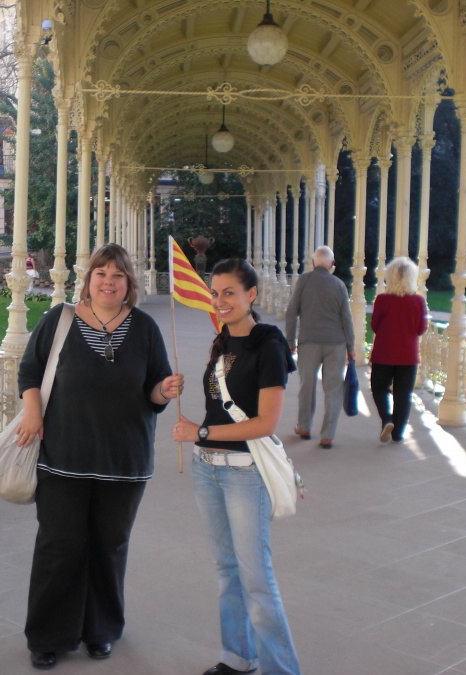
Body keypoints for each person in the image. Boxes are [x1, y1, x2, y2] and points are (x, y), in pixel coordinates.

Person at [16, 243, 183, 670]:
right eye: (101, 273)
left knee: (109, 548)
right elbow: (30, 370)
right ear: (89, 279)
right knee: (59, 546)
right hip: (62, 457)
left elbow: (154, 389)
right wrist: (33, 412)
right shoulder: (60, 319)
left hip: (124, 463)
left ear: (129, 284)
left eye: (118, 275)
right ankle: (48, 636)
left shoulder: (145, 328)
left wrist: (164, 391)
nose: (109, 282)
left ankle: (100, 630)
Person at [172, 259, 300, 675]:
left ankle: (282, 669)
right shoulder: (222, 341)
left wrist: (200, 432)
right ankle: (238, 657)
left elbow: (265, 424)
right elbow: (222, 408)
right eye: (215, 292)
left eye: (229, 292)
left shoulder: (269, 345)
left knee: (256, 578)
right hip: (207, 468)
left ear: (251, 294)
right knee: (227, 569)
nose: (220, 300)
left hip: (245, 472)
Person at [284, 246, 355, 449]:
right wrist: (351, 346)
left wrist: (290, 340)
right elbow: (347, 319)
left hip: (309, 342)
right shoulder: (339, 285)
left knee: (307, 386)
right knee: (333, 390)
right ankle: (327, 436)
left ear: (313, 263)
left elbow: (292, 312)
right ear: (332, 264)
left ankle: (304, 427)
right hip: (336, 343)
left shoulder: (304, 281)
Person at [369, 257, 429, 443]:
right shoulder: (418, 301)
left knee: (379, 388)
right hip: (408, 355)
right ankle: (398, 433)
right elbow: (421, 329)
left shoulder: (382, 300)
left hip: (384, 353)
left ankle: (387, 419)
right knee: (403, 394)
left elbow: (374, 326)